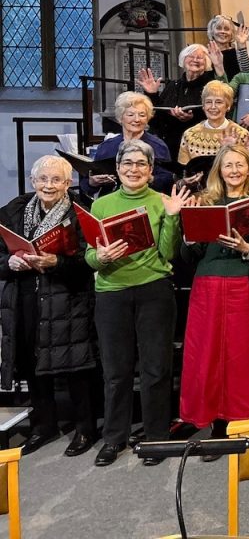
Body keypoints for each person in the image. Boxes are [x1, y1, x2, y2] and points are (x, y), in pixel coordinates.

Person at [87, 140, 187, 467]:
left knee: (156, 368)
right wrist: (98, 257)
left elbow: (170, 253)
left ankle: (156, 437)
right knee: (116, 371)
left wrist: (172, 217)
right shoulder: (101, 205)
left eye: (141, 164)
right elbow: (89, 254)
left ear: (150, 170)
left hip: (154, 290)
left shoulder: (162, 201)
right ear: (117, 169)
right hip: (111, 292)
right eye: (127, 163)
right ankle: (114, 438)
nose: (133, 169)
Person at [178, 145, 249, 458]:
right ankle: (217, 423)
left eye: (239, 165)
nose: (233, 171)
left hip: (246, 282)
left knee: (244, 355)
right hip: (207, 284)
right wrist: (189, 238)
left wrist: (247, 247)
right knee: (208, 353)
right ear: (219, 170)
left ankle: (246, 421)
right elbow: (187, 258)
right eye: (227, 165)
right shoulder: (204, 202)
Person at [0, 155, 98, 457]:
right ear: (33, 181)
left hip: (69, 295)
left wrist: (57, 262)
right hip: (26, 296)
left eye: (56, 180)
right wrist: (10, 262)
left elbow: (90, 259)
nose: (49, 185)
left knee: (76, 365)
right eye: (43, 179)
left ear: (67, 183)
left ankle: (85, 428)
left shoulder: (81, 212)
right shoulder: (13, 210)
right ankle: (44, 426)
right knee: (32, 364)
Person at [83, 91, 174, 200]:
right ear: (120, 118)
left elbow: (169, 181)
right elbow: (86, 185)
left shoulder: (158, 146)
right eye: (130, 114)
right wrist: (92, 183)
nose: (137, 119)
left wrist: (150, 178)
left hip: (148, 200)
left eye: (142, 115)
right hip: (112, 202)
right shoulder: (106, 147)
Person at [137, 44, 216, 157]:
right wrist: (152, 95)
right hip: (169, 147)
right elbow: (156, 121)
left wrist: (192, 118)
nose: (195, 60)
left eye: (200, 57)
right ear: (183, 60)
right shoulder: (173, 85)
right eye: (191, 56)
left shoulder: (212, 86)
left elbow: (216, 116)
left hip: (199, 147)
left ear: (207, 63)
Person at [177, 80, 249, 164]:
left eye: (218, 102)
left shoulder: (241, 135)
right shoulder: (189, 135)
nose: (213, 107)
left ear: (228, 106)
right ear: (203, 106)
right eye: (208, 102)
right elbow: (183, 173)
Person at [206, 14, 249, 80]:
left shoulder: (236, 53)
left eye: (226, 29)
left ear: (232, 33)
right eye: (218, 28)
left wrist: (242, 46)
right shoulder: (205, 54)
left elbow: (248, 74)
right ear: (212, 32)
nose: (222, 32)